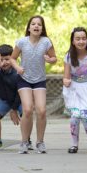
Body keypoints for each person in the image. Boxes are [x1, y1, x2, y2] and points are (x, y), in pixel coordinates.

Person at [10, 15, 57, 154]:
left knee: (41, 110)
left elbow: (54, 58)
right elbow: (12, 58)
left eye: (39, 24)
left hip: (39, 80)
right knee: (28, 109)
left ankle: (40, 142)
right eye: (33, 24)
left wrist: (50, 60)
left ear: (42, 28)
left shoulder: (46, 42)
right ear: (29, 27)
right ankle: (24, 142)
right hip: (24, 79)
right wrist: (17, 68)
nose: (36, 26)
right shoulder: (22, 42)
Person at [62, 27, 87, 154]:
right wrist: (66, 81)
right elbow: (66, 76)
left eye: (84, 38)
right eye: (78, 39)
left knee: (86, 117)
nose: (81, 41)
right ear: (73, 41)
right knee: (75, 116)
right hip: (73, 88)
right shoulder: (69, 56)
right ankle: (74, 144)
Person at [0, 44, 22, 148]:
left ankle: (27, 139)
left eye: (7, 59)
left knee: (27, 112)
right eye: (1, 59)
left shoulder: (18, 71)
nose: (4, 63)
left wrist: (14, 110)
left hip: (19, 100)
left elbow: (19, 93)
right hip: (4, 100)